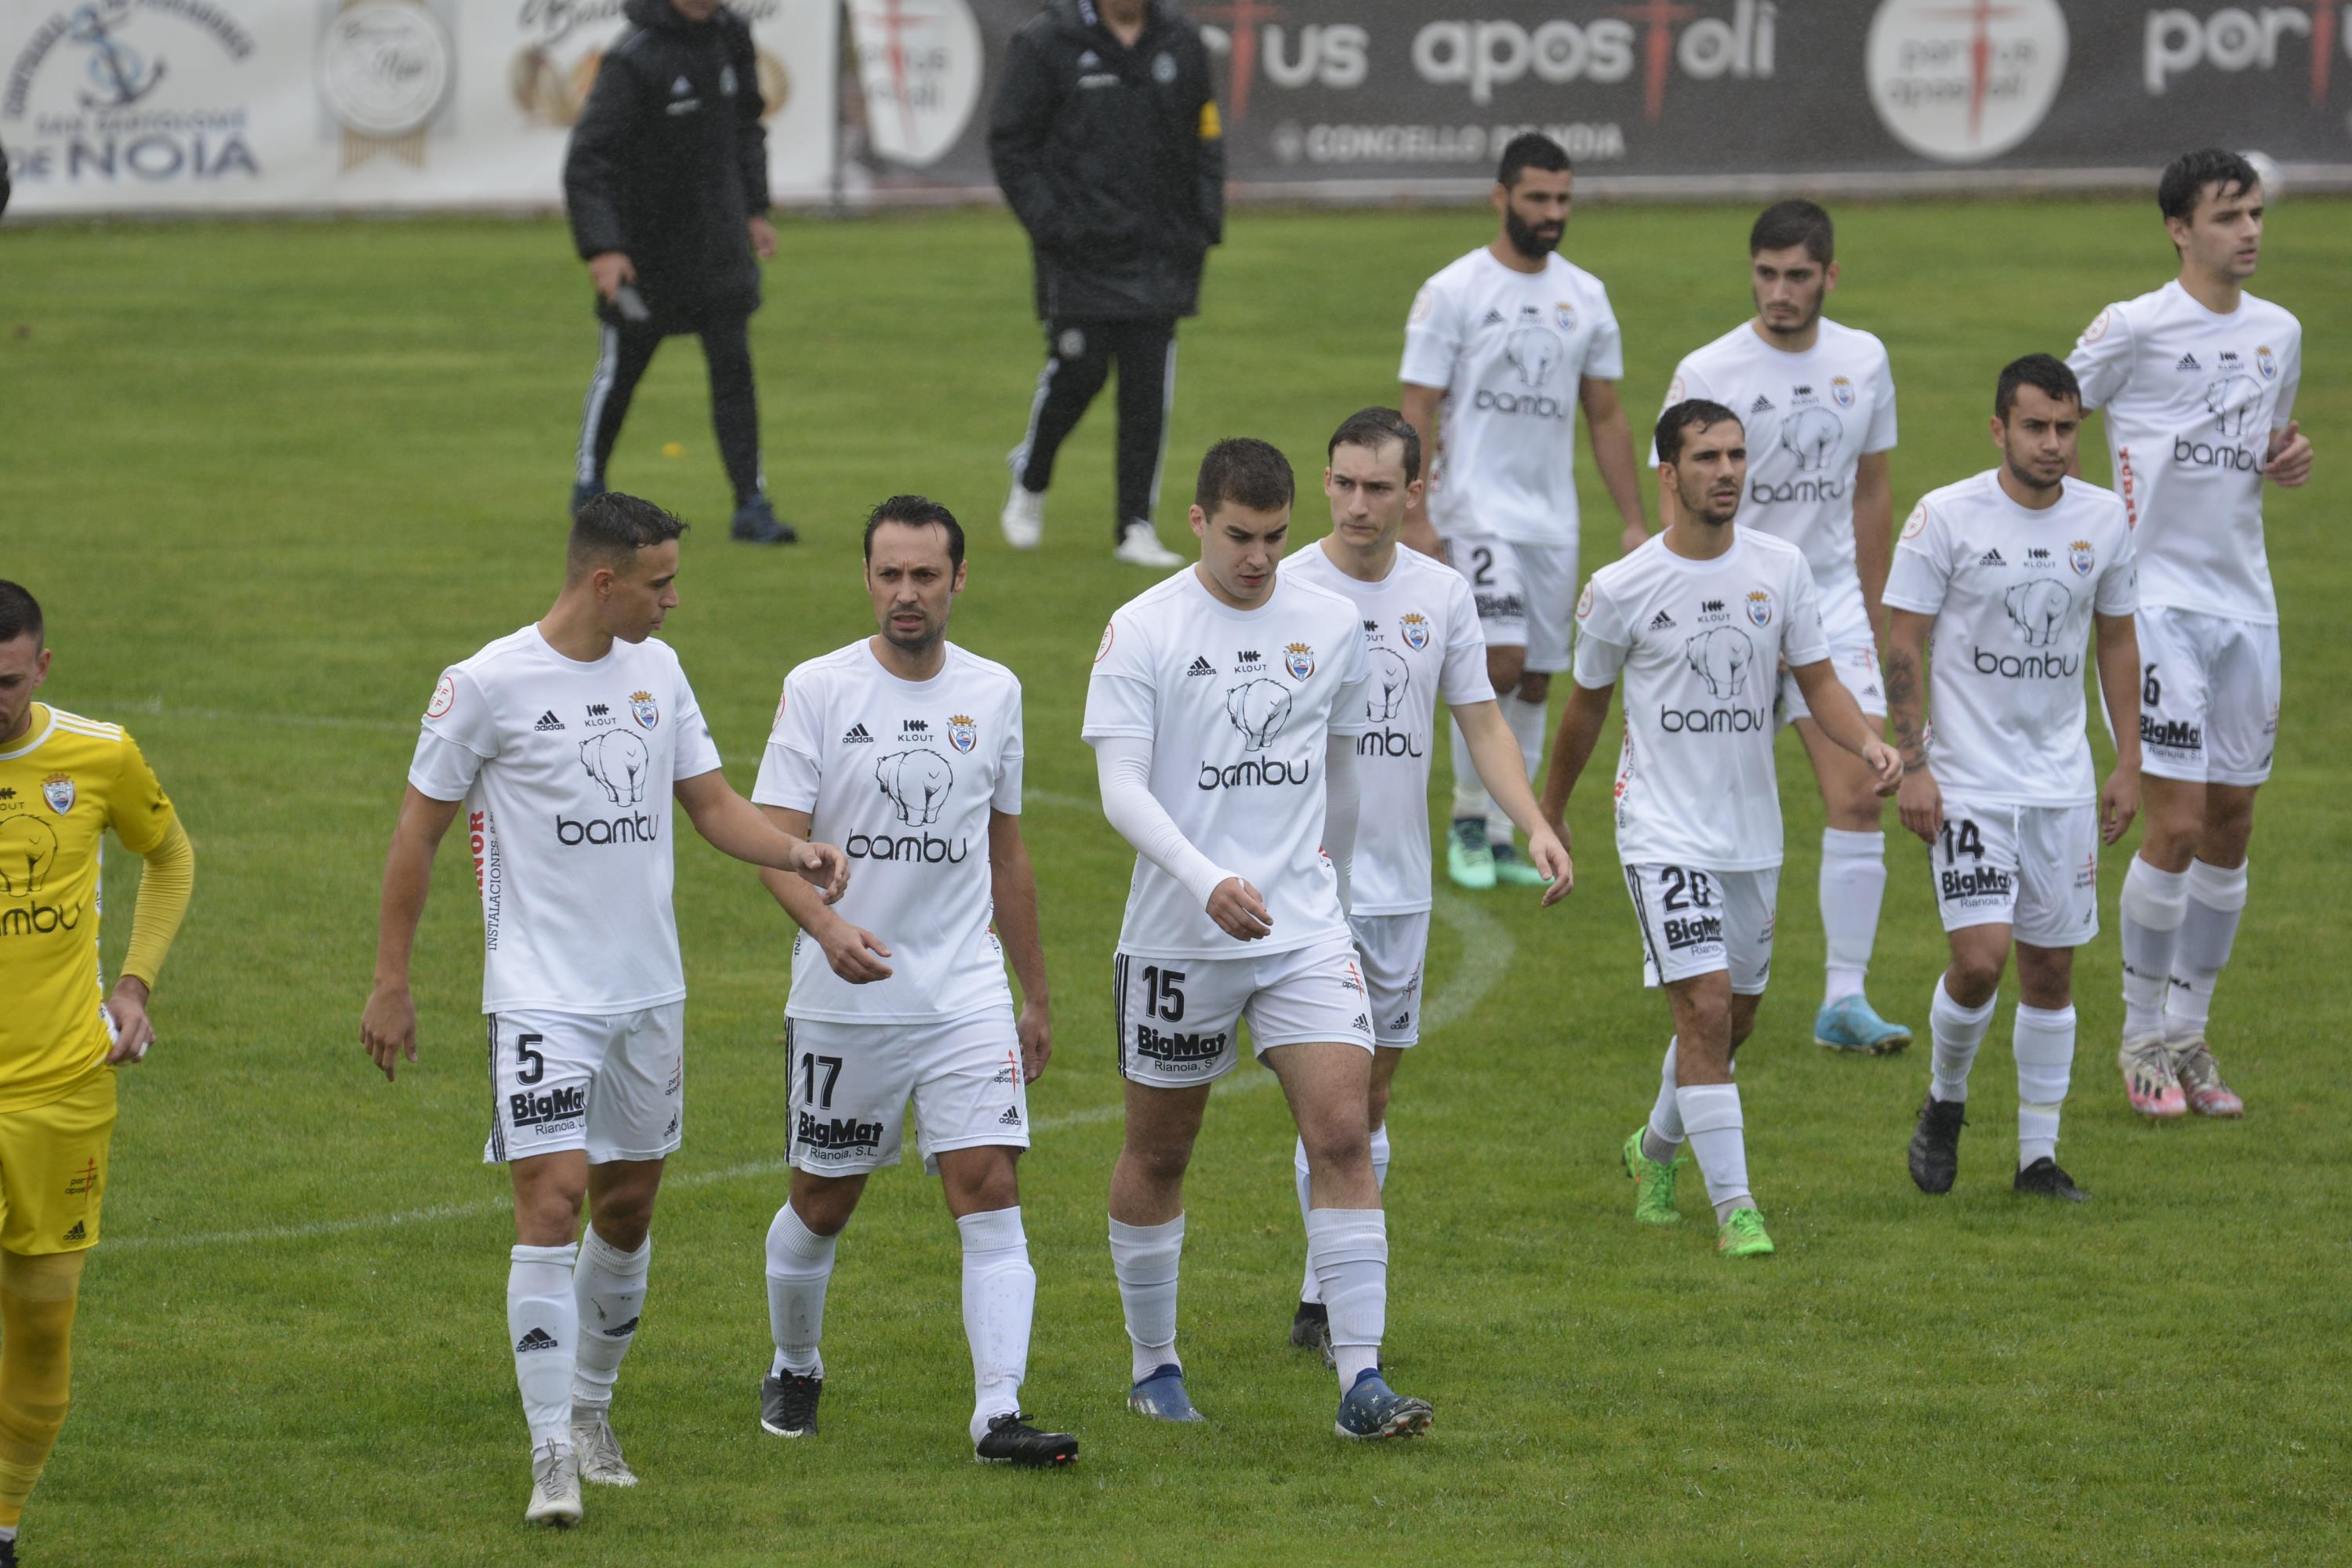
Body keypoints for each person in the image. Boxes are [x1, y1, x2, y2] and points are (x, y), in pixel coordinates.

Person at [358, 494, 848, 1527]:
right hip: (541, 994)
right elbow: (418, 832)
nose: (674, 602)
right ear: (603, 581)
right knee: (553, 1202)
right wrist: (391, 980)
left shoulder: (657, 674)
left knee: (627, 1208)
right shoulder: (484, 686)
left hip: (648, 993)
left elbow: (712, 805)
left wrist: (795, 850)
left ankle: (589, 1411)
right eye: (660, 583)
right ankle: (548, 1454)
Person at [1084, 437, 1433, 1439]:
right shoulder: (1142, 626)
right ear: (1198, 519)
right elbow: (1120, 787)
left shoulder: (1328, 623)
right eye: (1240, 536)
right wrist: (1207, 881)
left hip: (1303, 931)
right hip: (1177, 936)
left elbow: (1343, 770)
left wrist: (1336, 885)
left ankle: (1362, 1379)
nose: (1259, 558)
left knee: (1342, 1129)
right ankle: (1154, 1364)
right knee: (1160, 1151)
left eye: (1277, 538)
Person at [748, 495, 1075, 1467]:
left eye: (924, 575)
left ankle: (998, 1412)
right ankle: (796, 1360)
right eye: (889, 574)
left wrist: (1035, 992)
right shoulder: (818, 687)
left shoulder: (996, 691)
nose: (906, 593)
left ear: (957, 580)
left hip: (962, 990)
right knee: (822, 1200)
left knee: (990, 1182)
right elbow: (769, 842)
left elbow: (1006, 855)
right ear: (867, 578)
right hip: (844, 993)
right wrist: (828, 925)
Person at [1540, 404, 1898, 1258]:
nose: (1728, 470)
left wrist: (1869, 741)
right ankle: (1738, 1208)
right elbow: (1585, 711)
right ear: (1669, 473)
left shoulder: (1782, 567)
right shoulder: (1622, 587)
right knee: (1700, 1006)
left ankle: (1651, 1149)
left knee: (1732, 1023)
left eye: (1737, 454)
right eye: (1707, 457)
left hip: (1750, 832)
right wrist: (1549, 813)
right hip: (1660, 828)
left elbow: (1818, 681)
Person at [1276, 408, 1570, 1361]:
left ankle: (1320, 1288)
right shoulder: (1282, 587)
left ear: (1417, 490)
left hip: (1398, 887)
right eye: (1343, 483)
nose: (1358, 504)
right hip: (1298, 887)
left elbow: (1482, 721)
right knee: (1333, 1103)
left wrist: (1532, 821)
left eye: (1378, 487)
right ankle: (1328, 1302)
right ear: (1326, 482)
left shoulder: (1439, 595)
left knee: (1367, 1102)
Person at [2065, 147, 2309, 1120]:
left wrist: (2286, 455)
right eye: (2227, 216)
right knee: (2174, 822)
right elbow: (2049, 409)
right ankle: (2138, 1041)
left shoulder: (2279, 331)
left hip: (2246, 605)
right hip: (2154, 604)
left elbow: (2266, 441)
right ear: (2178, 229)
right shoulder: (2132, 327)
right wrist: (2078, 532)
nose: (2248, 231)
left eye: (2254, 214)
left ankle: (2190, 1034)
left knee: (2232, 824)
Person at [1650, 200, 1910, 1055]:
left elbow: (1871, 492)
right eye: (1766, 273)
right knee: (1710, 812)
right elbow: (1670, 490)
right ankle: (1702, 974)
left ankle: (1844, 997)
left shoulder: (1864, 360)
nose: (1779, 291)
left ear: (1830, 276)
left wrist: (1878, 619)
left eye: (1798, 275)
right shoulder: (1709, 366)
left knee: (1857, 794)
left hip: (1824, 602)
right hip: (1727, 607)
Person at [1885, 356, 2142, 1203]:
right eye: (2035, 427)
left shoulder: (2104, 519)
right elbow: (1902, 641)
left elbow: (2114, 639)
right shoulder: (1945, 518)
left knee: (2052, 973)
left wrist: (2128, 759)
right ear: (1999, 428)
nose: (2054, 443)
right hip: (1967, 783)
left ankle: (2038, 1157)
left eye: (2068, 427)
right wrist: (1915, 763)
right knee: (1982, 960)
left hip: (2061, 783)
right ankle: (1946, 1099)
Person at [0, 582, 194, 1568]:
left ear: (41, 667)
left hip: (61, 1092)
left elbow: (169, 855)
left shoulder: (98, 753)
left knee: (40, 1325)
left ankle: (2, 1524)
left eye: (2, 680)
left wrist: (134, 982)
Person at [1397, 132, 1649, 895]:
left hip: (1551, 519)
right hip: (1473, 508)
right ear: (1500, 197)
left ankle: (1509, 831)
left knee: (1539, 675)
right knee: (1497, 660)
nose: (1552, 212)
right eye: (1537, 197)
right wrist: (1416, 512)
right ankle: (1469, 820)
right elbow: (1419, 404)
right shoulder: (1454, 291)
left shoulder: (1587, 296)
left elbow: (1604, 415)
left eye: (1562, 199)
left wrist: (1634, 519)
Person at [989, 0, 1223, 568]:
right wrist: (1053, 224)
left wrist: (1202, 224)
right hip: (1080, 252)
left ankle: (1133, 526)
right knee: (1080, 373)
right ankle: (1031, 478)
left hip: (1160, 251)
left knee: (1147, 392)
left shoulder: (1181, 40)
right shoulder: (1047, 41)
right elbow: (1011, 143)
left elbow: (1205, 135)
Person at [563, 0, 793, 543]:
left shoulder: (732, 37)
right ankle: (588, 486)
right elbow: (588, 160)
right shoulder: (633, 58)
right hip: (646, 257)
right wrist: (604, 248)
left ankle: (750, 504)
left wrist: (755, 209)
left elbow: (746, 128)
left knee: (734, 374)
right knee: (621, 372)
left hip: (720, 251)